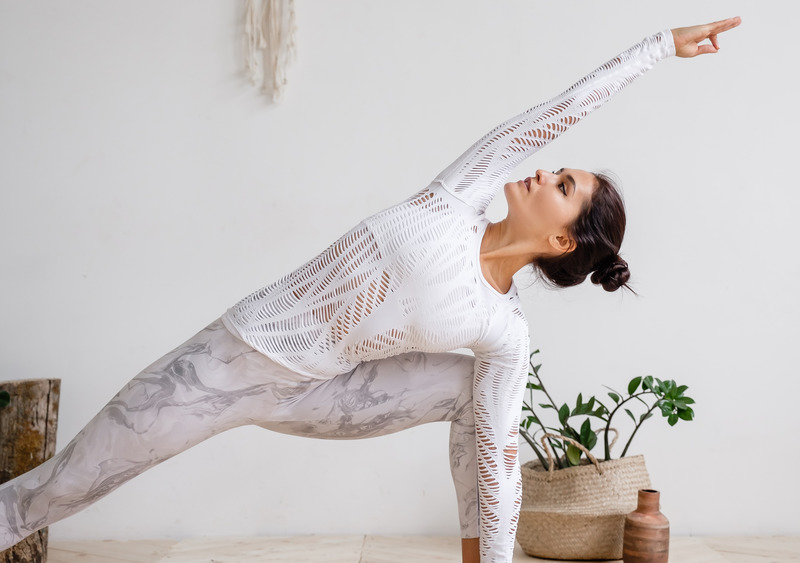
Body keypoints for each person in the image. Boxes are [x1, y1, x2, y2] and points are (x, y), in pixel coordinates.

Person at [0, 16, 740, 563]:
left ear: (560, 240)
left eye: (564, 183)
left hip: (324, 393)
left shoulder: (502, 327)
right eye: (558, 168)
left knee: (479, 402)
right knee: (67, 483)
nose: (546, 169)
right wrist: (655, 50)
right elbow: (557, 108)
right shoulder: (459, 195)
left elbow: (499, 459)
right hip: (235, 358)